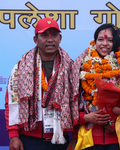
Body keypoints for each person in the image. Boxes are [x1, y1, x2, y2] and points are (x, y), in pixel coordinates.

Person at [5, 17, 79, 150]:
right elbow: (11, 102)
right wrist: (13, 135)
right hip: (29, 139)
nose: (50, 40)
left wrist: (74, 137)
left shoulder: (70, 67)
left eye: (54, 35)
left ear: (60, 39)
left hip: (60, 139)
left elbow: (76, 103)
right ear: (35, 39)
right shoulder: (21, 67)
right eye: (44, 35)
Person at [69, 23, 120, 150]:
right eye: (100, 39)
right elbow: (70, 102)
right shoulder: (81, 64)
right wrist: (85, 117)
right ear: (95, 41)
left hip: (119, 138)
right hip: (90, 139)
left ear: (117, 42)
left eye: (110, 40)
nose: (104, 43)